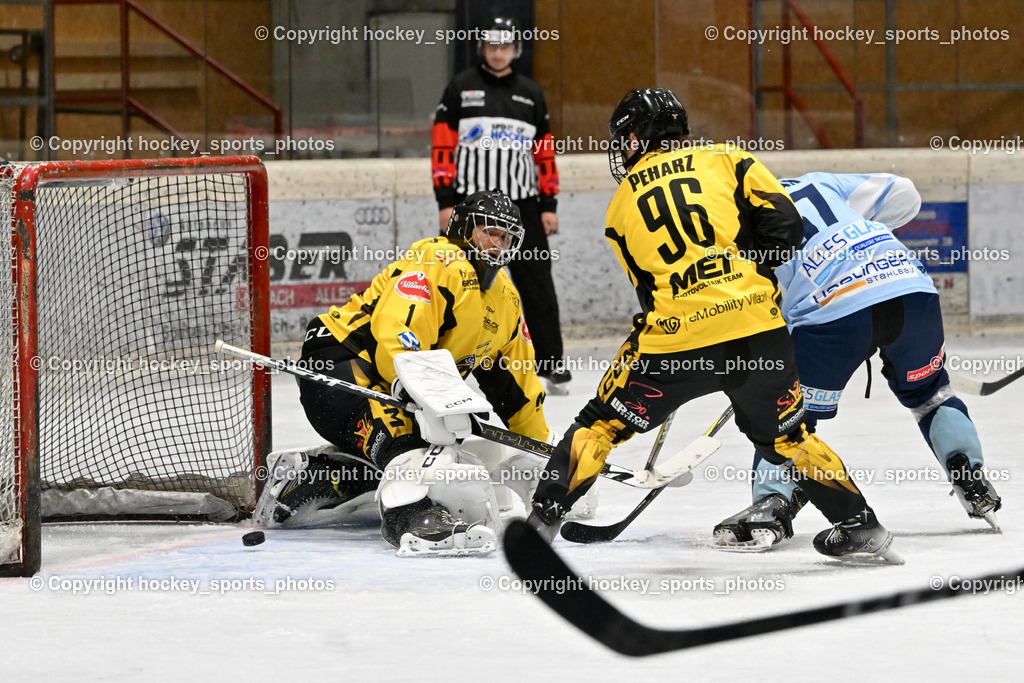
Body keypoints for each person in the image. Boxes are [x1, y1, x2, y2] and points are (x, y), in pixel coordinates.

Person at [528, 87, 901, 563]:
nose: (621, 149)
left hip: (676, 342)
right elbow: (786, 227)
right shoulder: (730, 159)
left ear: (638, 138)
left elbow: (649, 292)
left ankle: (543, 521)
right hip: (758, 331)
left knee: (600, 424)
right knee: (790, 438)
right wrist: (748, 273)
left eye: (624, 139)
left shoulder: (620, 206)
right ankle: (861, 527)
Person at [711, 172, 1002, 550]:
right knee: (931, 393)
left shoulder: (727, 216)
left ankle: (773, 502)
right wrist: (859, 238)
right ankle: (971, 477)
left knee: (786, 415)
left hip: (836, 313)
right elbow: (905, 191)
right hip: (910, 290)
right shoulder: (818, 181)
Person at [254, 190, 553, 556]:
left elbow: (517, 384)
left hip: (393, 380)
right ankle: (411, 518)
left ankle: (310, 478)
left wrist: (543, 453)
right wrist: (424, 396)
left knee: (445, 448)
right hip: (340, 365)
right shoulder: (438, 260)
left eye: (507, 238)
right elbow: (397, 336)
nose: (498, 245)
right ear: (461, 227)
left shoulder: (505, 299)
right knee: (406, 438)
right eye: (490, 232)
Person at [431, 16, 571, 395]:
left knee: (537, 284)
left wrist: (549, 203)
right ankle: (440, 359)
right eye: (491, 47)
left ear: (515, 50)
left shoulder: (531, 93)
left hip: (523, 206)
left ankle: (551, 364)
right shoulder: (460, 88)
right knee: (454, 282)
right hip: (470, 208)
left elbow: (544, 153)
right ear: (483, 49)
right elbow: (442, 146)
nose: (497, 53)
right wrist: (446, 201)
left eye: (504, 47)